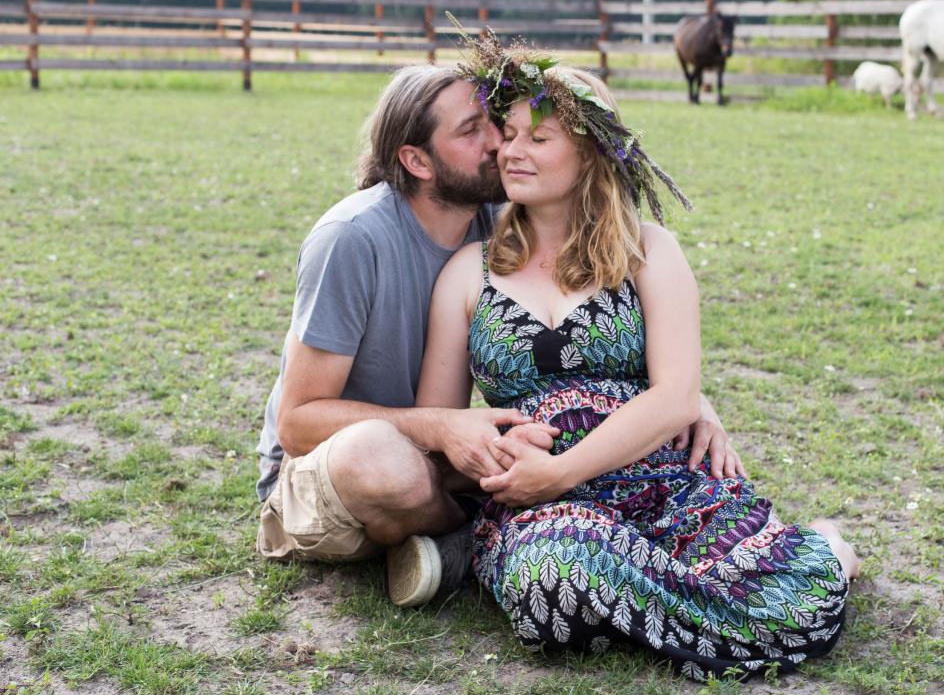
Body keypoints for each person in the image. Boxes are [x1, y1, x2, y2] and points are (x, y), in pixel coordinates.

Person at [417, 39, 858, 680]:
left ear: (591, 151)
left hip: (659, 481)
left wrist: (564, 468)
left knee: (798, 602)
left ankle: (821, 551)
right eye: (507, 135)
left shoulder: (649, 252)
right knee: (554, 579)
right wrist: (511, 468)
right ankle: (678, 599)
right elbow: (442, 423)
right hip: (540, 507)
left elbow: (675, 396)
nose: (512, 151)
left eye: (539, 140)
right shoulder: (468, 271)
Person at [254, 63, 743, 609]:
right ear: (416, 161)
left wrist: (690, 401)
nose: (499, 146)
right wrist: (442, 426)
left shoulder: (500, 218)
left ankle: (489, 534)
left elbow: (561, 126)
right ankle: (470, 543)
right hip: (332, 469)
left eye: (498, 125)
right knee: (379, 460)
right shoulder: (351, 240)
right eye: (473, 131)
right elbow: (297, 424)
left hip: (448, 462)